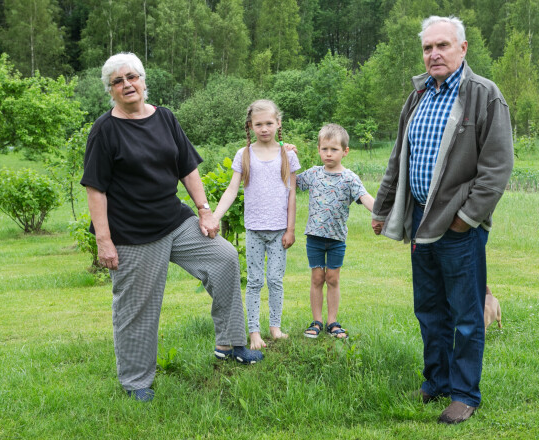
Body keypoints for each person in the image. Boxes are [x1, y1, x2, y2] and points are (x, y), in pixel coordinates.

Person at [81, 52, 262, 403]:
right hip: (132, 233)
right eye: (118, 82)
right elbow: (95, 188)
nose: (127, 85)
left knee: (223, 257)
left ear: (144, 81)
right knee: (137, 307)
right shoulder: (105, 130)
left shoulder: (164, 117)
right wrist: (104, 240)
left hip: (173, 220)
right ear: (111, 91)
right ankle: (135, 382)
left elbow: (187, 167)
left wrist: (205, 210)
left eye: (132, 77)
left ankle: (230, 343)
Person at [371, 16, 514, 424]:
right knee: (429, 309)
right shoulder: (418, 97)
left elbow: (496, 168)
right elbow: (399, 159)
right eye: (428, 47)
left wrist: (465, 219)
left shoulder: (485, 96)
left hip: (458, 229)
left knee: (466, 315)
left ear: (463, 49)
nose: (434, 53)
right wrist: (383, 209)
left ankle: (465, 393)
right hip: (419, 223)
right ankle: (436, 381)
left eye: (443, 46)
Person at [210, 100, 300, 350]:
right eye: (258, 124)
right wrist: (215, 216)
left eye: (269, 123)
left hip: (280, 230)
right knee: (254, 281)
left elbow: (292, 194)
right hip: (254, 230)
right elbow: (231, 189)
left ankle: (275, 328)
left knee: (275, 280)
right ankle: (254, 333)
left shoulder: (288, 155)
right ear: (250, 126)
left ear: (278, 123)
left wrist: (291, 229)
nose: (264, 128)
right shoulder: (244, 155)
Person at [297, 124, 375, 340]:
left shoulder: (350, 178)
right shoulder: (313, 174)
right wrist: (287, 158)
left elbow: (364, 197)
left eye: (334, 149)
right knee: (316, 278)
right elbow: (290, 181)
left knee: (332, 278)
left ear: (345, 151)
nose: (328, 154)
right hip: (314, 237)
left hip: (337, 239)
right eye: (324, 149)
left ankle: (332, 321)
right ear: (319, 149)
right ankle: (317, 321)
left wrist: (380, 212)